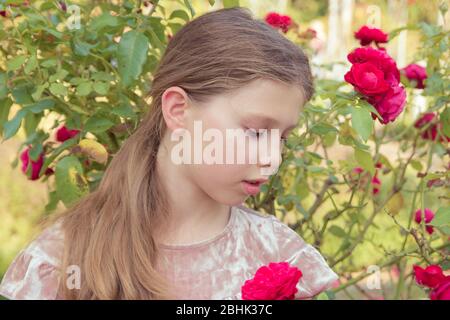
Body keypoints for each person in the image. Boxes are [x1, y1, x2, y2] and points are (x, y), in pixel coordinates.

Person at [0, 7, 338, 300]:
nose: (272, 159)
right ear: (178, 109)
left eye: (281, 138)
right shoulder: (62, 259)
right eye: (255, 131)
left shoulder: (279, 257)